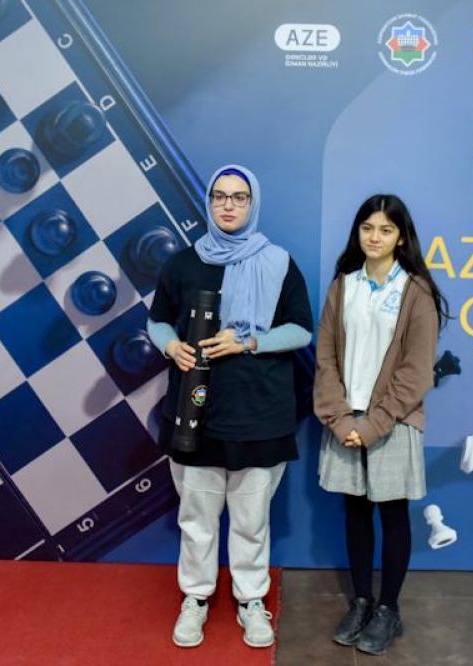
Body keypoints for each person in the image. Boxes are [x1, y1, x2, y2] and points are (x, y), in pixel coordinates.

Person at [147, 164, 312, 649]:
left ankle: (251, 600)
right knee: (196, 519)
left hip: (259, 413)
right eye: (219, 196)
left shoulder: (278, 263)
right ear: (209, 202)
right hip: (195, 414)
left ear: (252, 204)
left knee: (251, 521)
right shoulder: (182, 264)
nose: (228, 205)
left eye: (239, 197)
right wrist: (170, 345)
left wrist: (249, 342)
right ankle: (196, 597)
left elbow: (301, 329)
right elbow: (158, 320)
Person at [313, 194, 449, 656]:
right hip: (344, 419)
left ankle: (388, 608)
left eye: (386, 230)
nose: (375, 237)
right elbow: (326, 357)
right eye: (367, 228)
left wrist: (373, 424)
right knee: (354, 511)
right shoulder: (343, 286)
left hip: (392, 421)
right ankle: (361, 602)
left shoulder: (416, 291)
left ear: (401, 238)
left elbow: (417, 371)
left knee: (392, 514)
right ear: (358, 232)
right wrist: (339, 418)